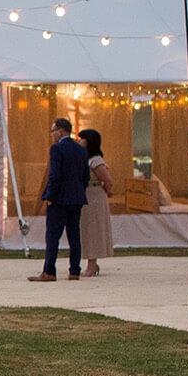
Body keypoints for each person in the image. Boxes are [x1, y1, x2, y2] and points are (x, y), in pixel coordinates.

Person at [32, 117, 90, 282]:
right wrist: (78, 191)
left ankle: (49, 271)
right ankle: (74, 270)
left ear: (61, 131)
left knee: (52, 236)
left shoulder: (57, 149)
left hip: (59, 199)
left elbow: (54, 176)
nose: (51, 135)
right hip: (76, 198)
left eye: (53, 131)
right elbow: (85, 177)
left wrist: (50, 197)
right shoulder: (81, 150)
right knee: (74, 235)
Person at [78, 128, 117, 277]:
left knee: (93, 229)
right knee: (87, 229)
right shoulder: (86, 159)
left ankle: (92, 264)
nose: (80, 142)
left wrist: (106, 190)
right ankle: (91, 262)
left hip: (94, 197)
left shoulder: (96, 161)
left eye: (83, 139)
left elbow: (108, 180)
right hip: (87, 195)